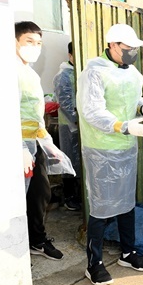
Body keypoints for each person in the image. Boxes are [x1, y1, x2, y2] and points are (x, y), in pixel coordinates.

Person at [77, 23, 143, 285]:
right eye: (128, 48)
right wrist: (123, 126)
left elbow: (133, 99)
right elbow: (92, 111)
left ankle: (128, 252)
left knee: (126, 202)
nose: (132, 52)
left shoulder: (133, 73)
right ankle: (94, 263)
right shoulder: (94, 71)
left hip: (127, 147)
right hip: (101, 148)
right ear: (112, 45)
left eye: (135, 48)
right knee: (102, 206)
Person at [16, 21, 66, 261]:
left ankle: (36, 240)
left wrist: (46, 141)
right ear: (14, 41)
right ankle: (21, 244)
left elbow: (35, 114)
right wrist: (17, 147)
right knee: (21, 196)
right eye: (29, 41)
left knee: (40, 193)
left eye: (38, 43)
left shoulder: (30, 73)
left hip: (33, 143)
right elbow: (3, 112)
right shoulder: (8, 71)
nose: (34, 47)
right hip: (17, 145)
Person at [53, 41, 82, 211]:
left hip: (81, 125)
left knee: (80, 162)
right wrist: (76, 119)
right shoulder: (63, 75)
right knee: (69, 160)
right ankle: (70, 197)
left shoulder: (79, 73)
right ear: (70, 55)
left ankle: (78, 196)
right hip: (68, 125)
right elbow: (64, 102)